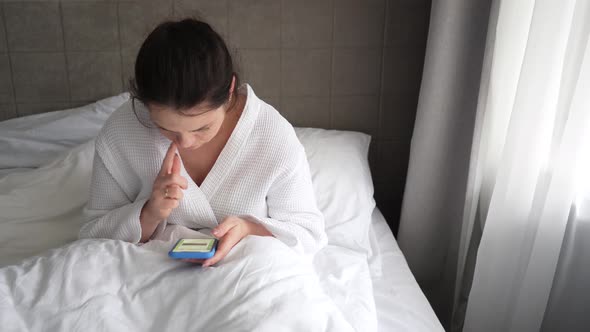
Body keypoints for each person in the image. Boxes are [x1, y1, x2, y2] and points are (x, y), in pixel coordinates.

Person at [79, 18, 327, 266]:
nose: (185, 142)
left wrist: (248, 228)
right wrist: (150, 213)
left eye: (202, 128)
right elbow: (93, 234)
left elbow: (308, 234)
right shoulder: (122, 131)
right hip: (147, 269)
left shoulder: (272, 135)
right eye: (164, 127)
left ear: (229, 90)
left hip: (246, 268)